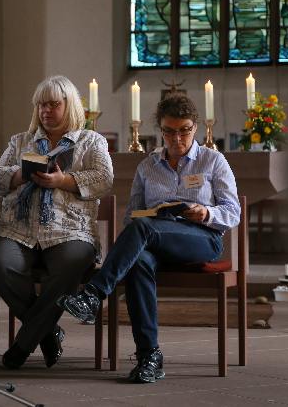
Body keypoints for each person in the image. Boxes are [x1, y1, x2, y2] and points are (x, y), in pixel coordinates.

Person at [58, 93, 240, 383]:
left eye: (184, 130)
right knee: (139, 261)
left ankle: (94, 294)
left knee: (144, 229)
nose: (177, 138)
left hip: (201, 238)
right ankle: (149, 357)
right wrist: (148, 217)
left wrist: (206, 212)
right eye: (169, 131)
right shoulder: (147, 166)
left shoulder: (213, 160)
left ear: (195, 127)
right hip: (154, 241)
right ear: (160, 130)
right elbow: (132, 216)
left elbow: (233, 212)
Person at [0, 75, 113, 369]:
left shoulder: (91, 141)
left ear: (69, 106)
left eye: (53, 104)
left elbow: (104, 179)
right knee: (0, 263)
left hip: (70, 231)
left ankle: (24, 343)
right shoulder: (21, 141)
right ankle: (46, 332)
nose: (46, 110)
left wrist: (63, 180)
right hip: (19, 229)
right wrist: (20, 174)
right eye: (41, 105)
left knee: (71, 263)